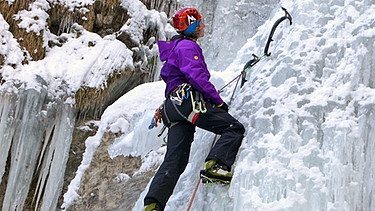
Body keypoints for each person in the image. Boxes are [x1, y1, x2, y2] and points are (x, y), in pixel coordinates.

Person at [144, 7, 245, 211]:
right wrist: (218, 102)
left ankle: (153, 204)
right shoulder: (187, 47)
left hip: (172, 108)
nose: (203, 26)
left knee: (176, 159)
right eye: (200, 23)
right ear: (192, 26)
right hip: (187, 102)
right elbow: (196, 77)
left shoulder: (175, 47)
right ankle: (215, 166)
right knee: (234, 127)